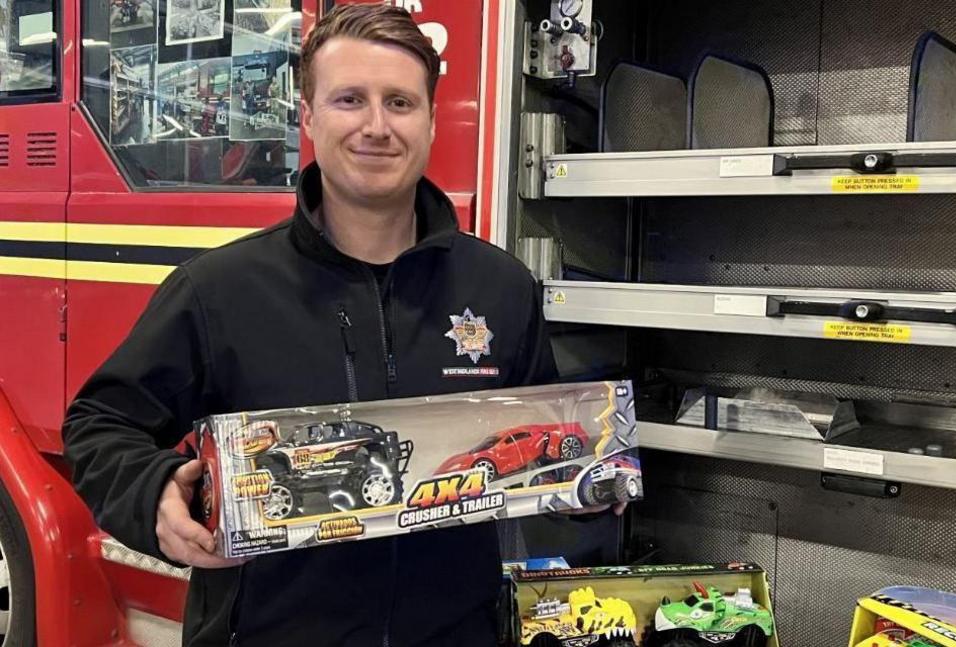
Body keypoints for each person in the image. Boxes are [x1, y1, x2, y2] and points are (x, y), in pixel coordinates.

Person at [62, 5, 617, 646]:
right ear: (308, 118)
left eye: (400, 102)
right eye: (350, 99)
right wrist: (152, 491)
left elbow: (543, 446)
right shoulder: (218, 291)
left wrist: (591, 488)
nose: (376, 126)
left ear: (433, 122)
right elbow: (100, 425)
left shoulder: (501, 289)